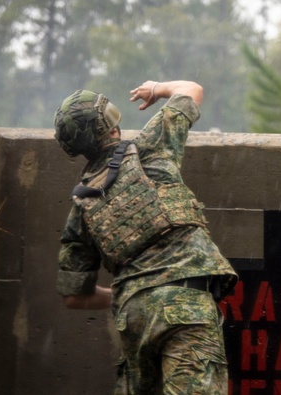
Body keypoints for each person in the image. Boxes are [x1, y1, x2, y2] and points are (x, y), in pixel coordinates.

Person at [53, 80, 238, 395]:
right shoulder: (150, 147)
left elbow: (74, 296)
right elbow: (192, 89)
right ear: (110, 124)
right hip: (186, 307)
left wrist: (135, 291)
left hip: (134, 317)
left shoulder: (82, 205)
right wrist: (156, 88)